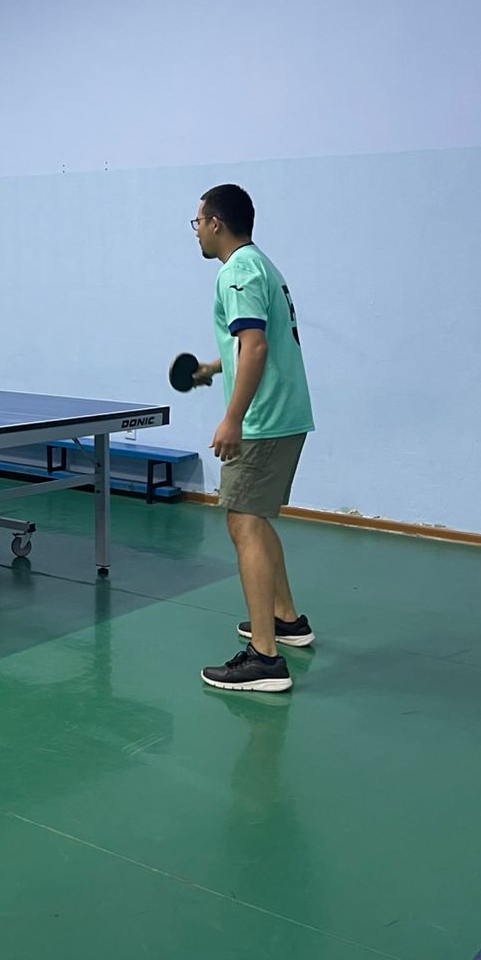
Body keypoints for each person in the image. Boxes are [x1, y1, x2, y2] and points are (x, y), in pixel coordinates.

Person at [190, 185, 314, 692]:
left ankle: (264, 658)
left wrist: (233, 419)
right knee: (254, 519)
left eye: (198, 221)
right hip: (286, 413)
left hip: (263, 419)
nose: (196, 231)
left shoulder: (236, 271)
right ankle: (286, 620)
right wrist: (213, 367)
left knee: (242, 522)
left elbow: (257, 347)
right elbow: (253, 342)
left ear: (216, 223)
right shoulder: (261, 265)